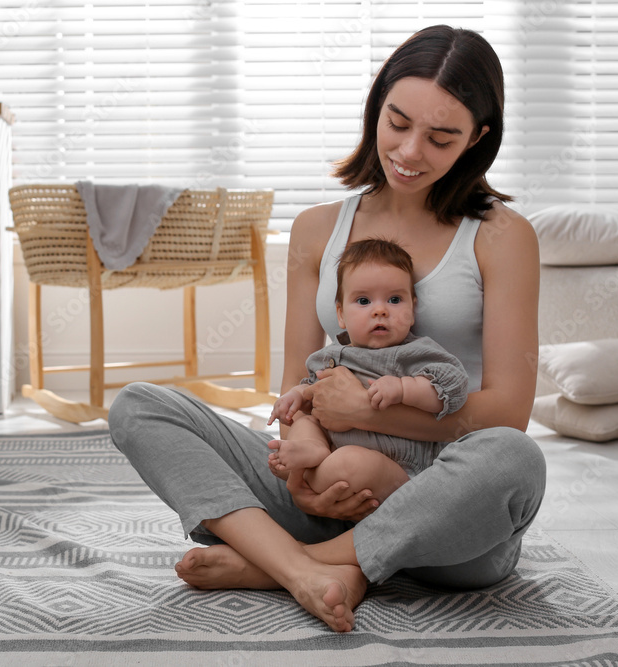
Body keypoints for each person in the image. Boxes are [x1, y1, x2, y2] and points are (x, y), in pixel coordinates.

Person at [108, 24, 545, 633]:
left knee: (515, 458)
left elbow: (508, 414)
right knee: (139, 405)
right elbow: (293, 385)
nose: (411, 152)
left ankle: (288, 565)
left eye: (441, 138)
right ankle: (315, 562)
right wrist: (303, 468)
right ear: (376, 106)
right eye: (397, 123)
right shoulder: (317, 229)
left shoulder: (503, 236)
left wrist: (363, 414)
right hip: (326, 488)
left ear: (478, 138)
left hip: (445, 510)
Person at [267, 237, 469, 506]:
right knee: (305, 423)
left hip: (396, 468)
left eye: (395, 299)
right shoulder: (328, 358)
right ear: (340, 314)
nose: (380, 310)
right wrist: (297, 395)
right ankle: (313, 451)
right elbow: (314, 390)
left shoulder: (412, 352)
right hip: (333, 453)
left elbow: (453, 386)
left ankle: (310, 476)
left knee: (351, 463)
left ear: (412, 311)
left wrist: (404, 388)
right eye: (363, 301)